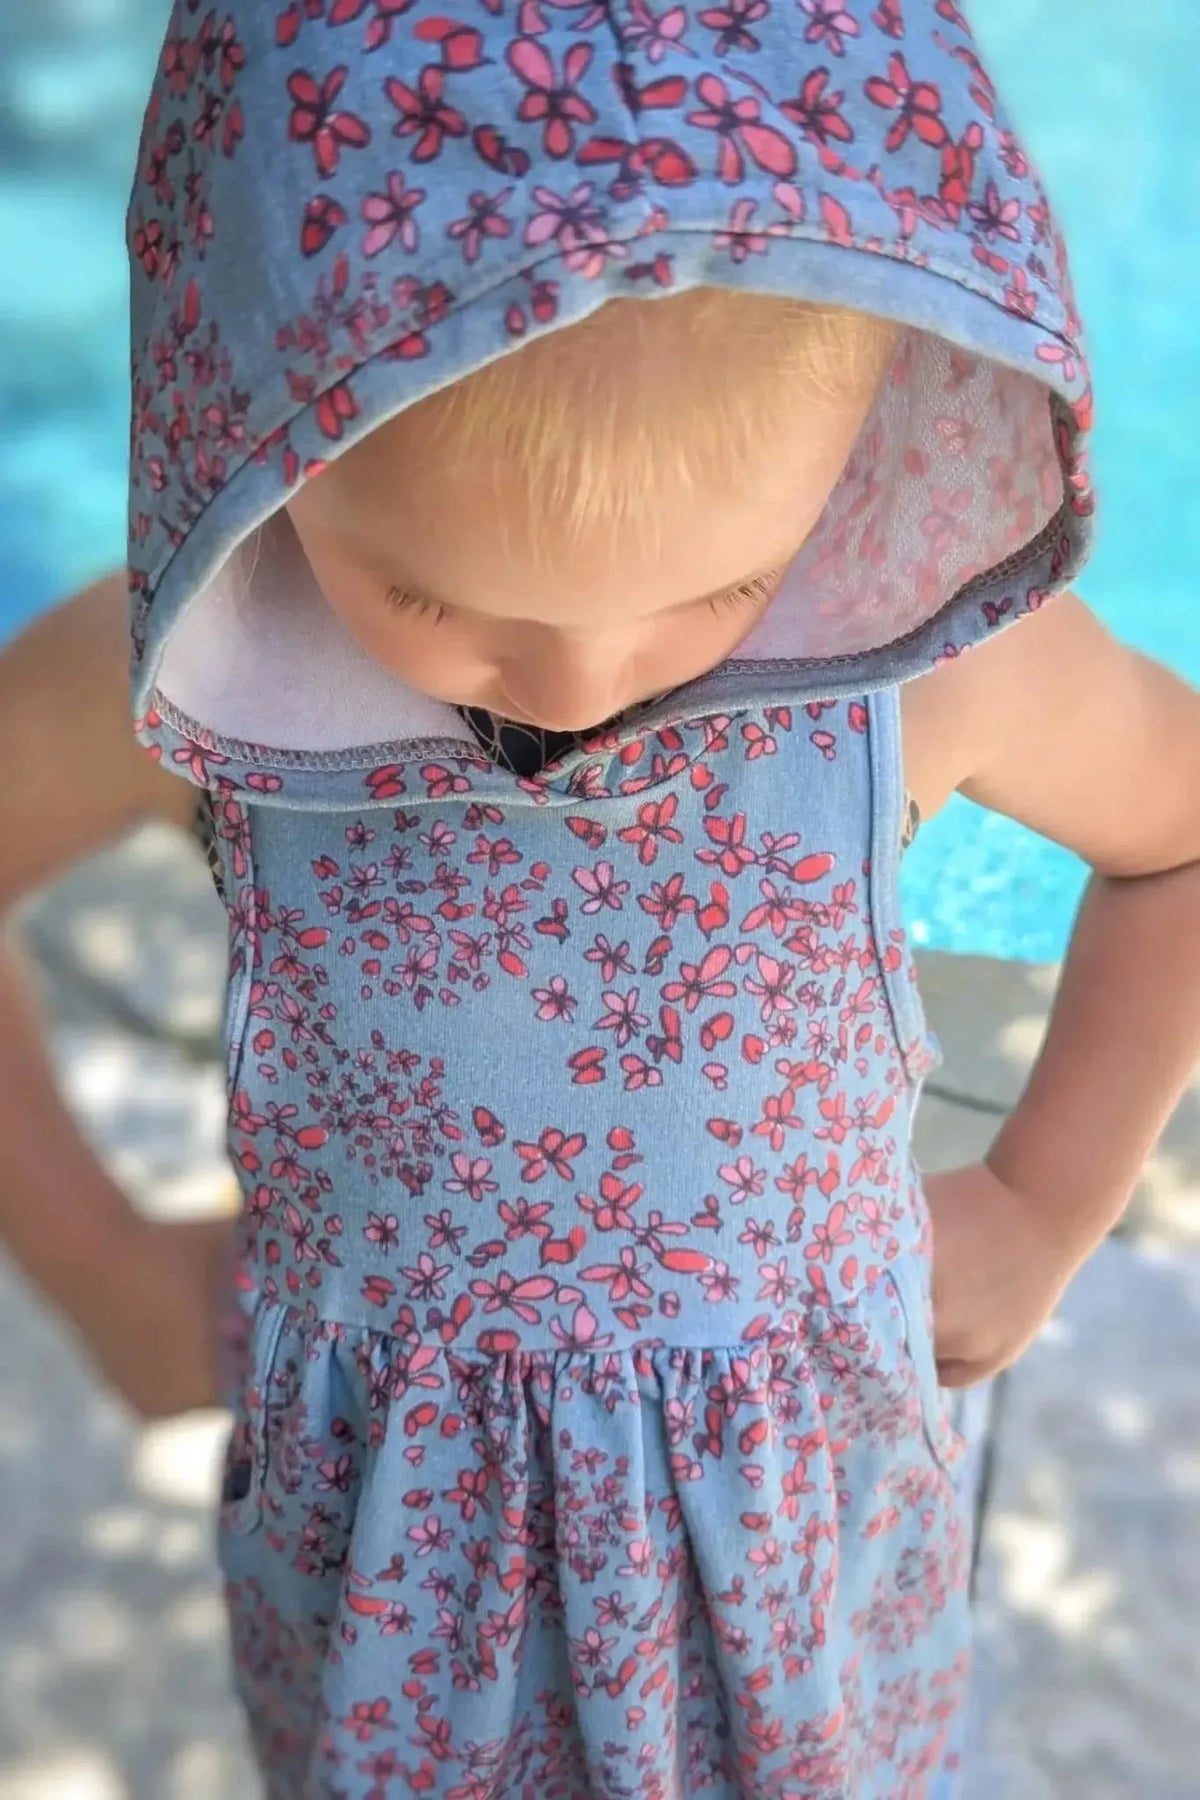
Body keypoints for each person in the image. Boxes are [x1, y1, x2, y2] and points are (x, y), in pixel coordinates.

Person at [1, 1, 1198, 1792]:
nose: (581, 688)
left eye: (718, 591)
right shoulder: (201, 670)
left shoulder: (915, 672)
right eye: (429, 601)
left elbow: (1179, 837)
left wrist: (1044, 1197)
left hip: (794, 1574)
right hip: (395, 1590)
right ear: (255, 446)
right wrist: (91, 1262)